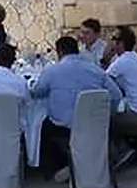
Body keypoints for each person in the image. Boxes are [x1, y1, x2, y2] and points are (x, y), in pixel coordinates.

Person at [32, 35, 122, 180]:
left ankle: (58, 166)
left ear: (59, 52)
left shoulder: (52, 71)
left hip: (64, 127)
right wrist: (106, 115)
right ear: (77, 51)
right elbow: (116, 95)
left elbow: (37, 93)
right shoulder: (95, 70)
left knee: (39, 127)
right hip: (94, 125)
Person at [104, 25, 137, 168]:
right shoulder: (135, 58)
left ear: (120, 43)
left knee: (99, 120)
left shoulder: (122, 61)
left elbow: (102, 81)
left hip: (136, 114)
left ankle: (122, 151)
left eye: (113, 39)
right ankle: (127, 148)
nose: (109, 41)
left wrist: (105, 58)